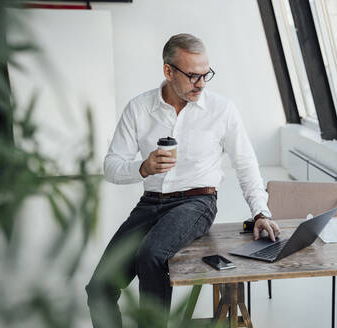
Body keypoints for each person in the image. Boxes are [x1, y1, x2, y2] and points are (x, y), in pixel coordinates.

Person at [85, 33, 280, 327]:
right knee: (99, 288)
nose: (201, 84)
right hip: (150, 203)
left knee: (151, 255)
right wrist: (144, 167)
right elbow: (111, 167)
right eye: (192, 76)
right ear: (168, 71)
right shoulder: (138, 109)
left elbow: (246, 164)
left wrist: (261, 211)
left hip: (197, 201)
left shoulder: (221, 109)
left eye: (206, 75)